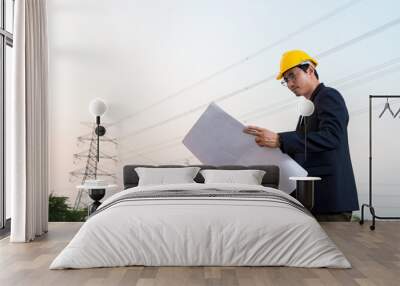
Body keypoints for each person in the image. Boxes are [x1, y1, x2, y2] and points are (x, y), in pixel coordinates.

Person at [244, 50, 359, 221]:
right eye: (286, 80)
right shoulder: (309, 107)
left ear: (310, 70)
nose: (290, 83)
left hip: (330, 198)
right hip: (314, 199)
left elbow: (332, 136)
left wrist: (280, 140)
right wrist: (269, 146)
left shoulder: (328, 96)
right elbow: (302, 147)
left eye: (292, 76)